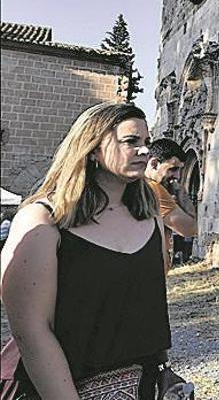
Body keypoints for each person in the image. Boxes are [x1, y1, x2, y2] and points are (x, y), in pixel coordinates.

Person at [0, 102, 171, 399]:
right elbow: (31, 331)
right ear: (92, 148)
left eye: (147, 142)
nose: (145, 151)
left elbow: (147, 311)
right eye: (131, 141)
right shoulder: (42, 219)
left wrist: (164, 371)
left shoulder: (150, 217)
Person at [145, 138, 198, 263]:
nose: (178, 176)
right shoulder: (154, 189)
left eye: (180, 170)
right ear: (154, 164)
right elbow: (189, 229)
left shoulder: (141, 185)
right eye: (172, 169)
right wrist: (181, 191)